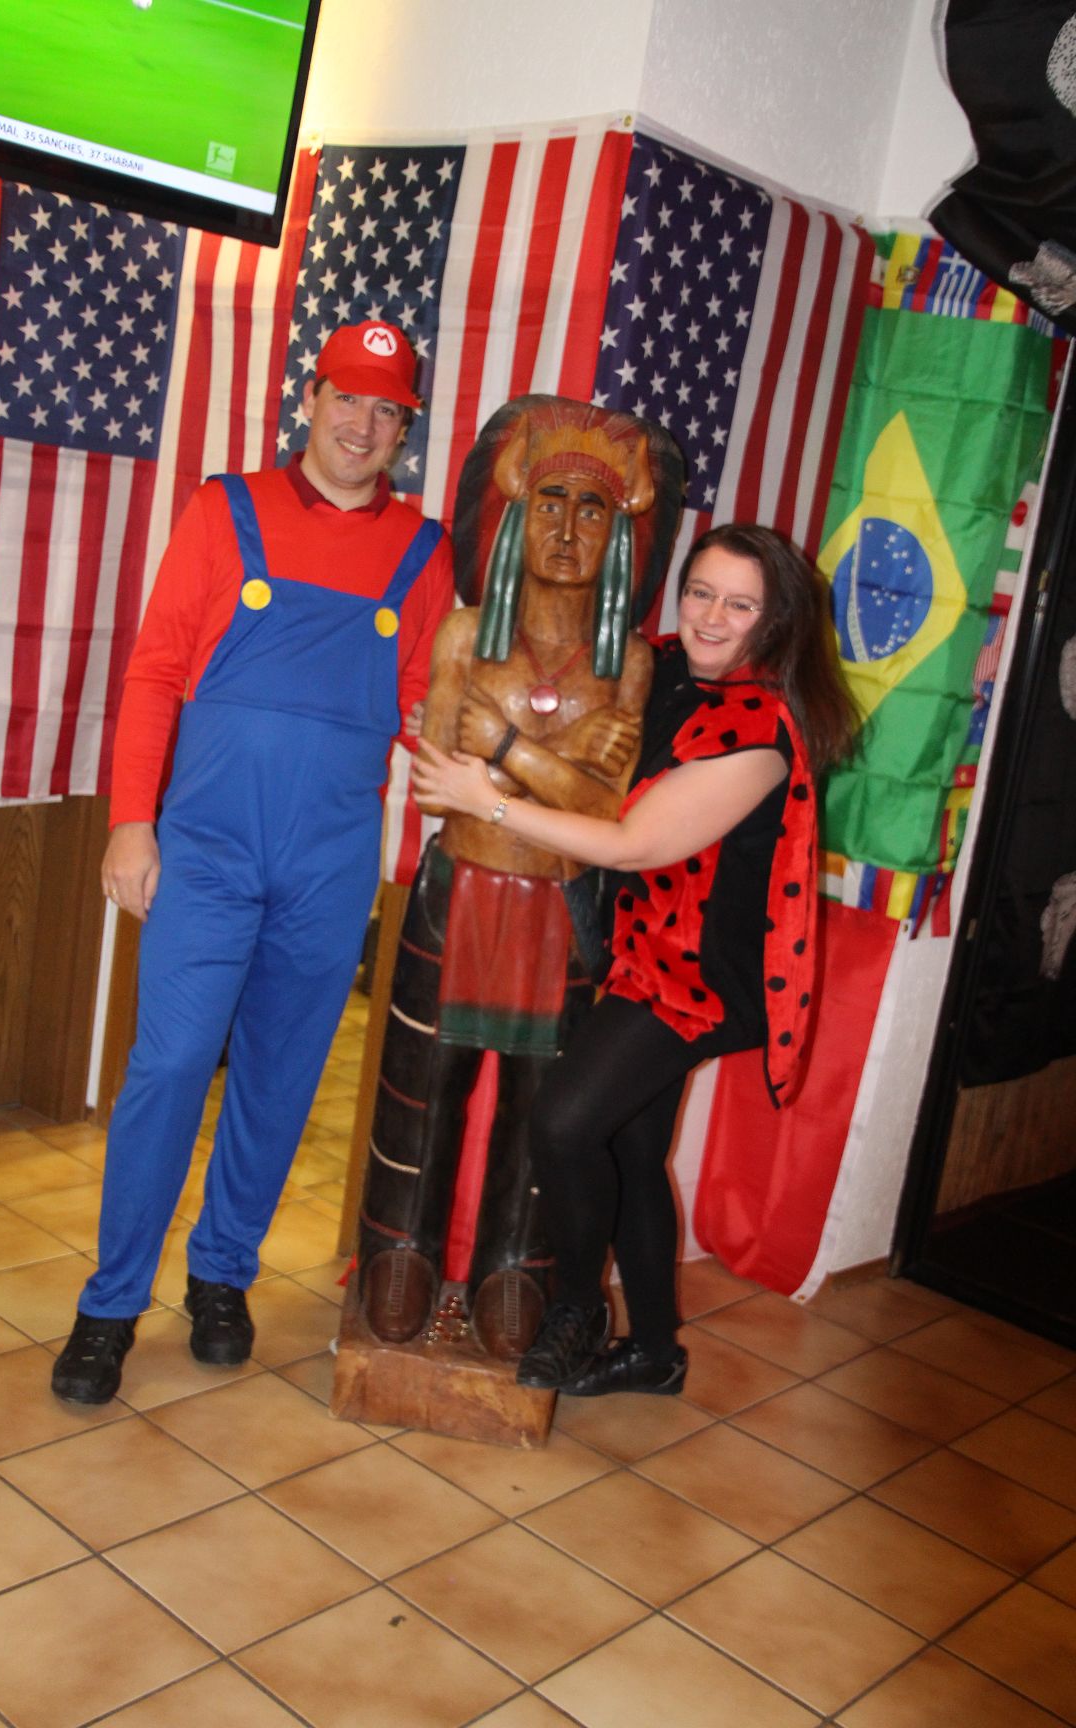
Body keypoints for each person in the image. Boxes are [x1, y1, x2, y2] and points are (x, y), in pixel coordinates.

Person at [51, 320, 454, 1405]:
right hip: (209, 849)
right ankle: (110, 1303)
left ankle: (222, 1273)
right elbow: (155, 672)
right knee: (172, 1066)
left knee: (279, 1081)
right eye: (348, 398)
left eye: (387, 410)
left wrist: (470, 759)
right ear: (309, 398)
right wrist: (131, 822)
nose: (363, 425)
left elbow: (424, 702)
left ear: (403, 429)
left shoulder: (424, 552)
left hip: (330, 863)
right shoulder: (225, 511)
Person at [413, 522, 858, 1395]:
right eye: (701, 592)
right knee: (629, 1146)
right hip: (636, 948)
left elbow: (633, 843)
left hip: (693, 974)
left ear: (776, 622)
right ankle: (656, 1352)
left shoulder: (760, 727)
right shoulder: (663, 670)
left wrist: (487, 792)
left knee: (565, 1124)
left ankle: (579, 1310)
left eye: (741, 605)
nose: (712, 616)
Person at [357, 397, 682, 1358]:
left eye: (593, 511)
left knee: (539, 1107)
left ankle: (517, 1264)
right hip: (460, 891)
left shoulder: (628, 663)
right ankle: (399, 1249)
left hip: (561, 908)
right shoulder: (465, 636)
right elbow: (438, 789)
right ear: (513, 516)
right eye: (549, 504)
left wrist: (503, 751)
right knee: (424, 1087)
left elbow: (607, 818)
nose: (568, 532)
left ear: (622, 536)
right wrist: (563, 761)